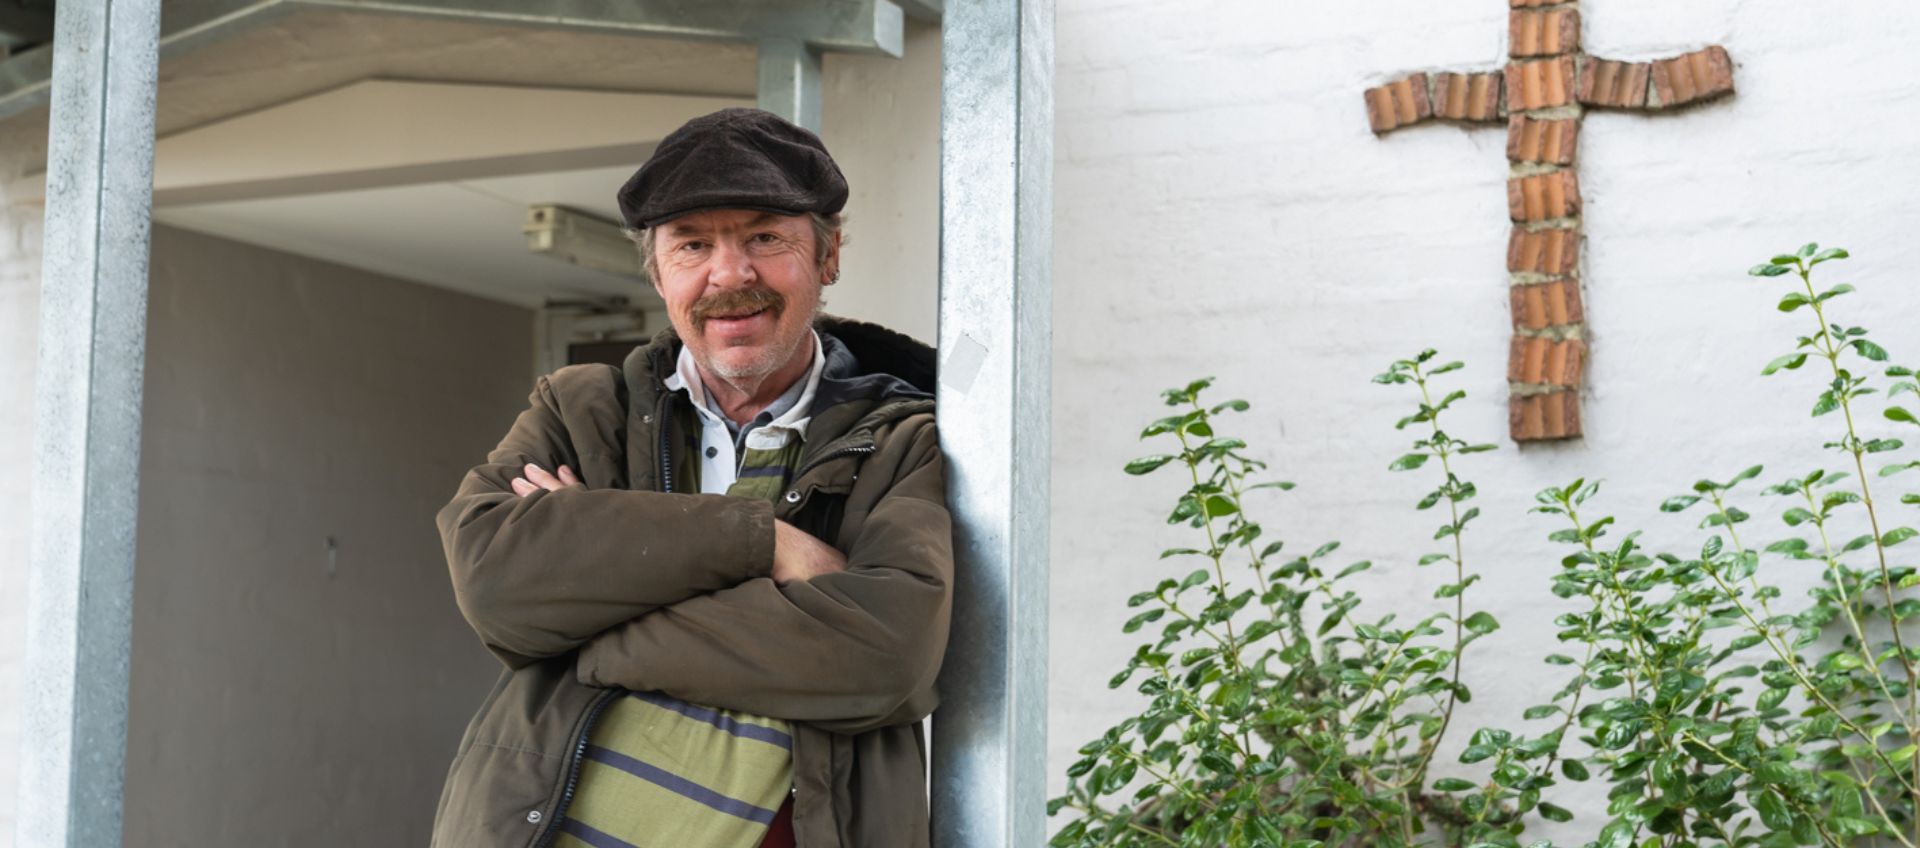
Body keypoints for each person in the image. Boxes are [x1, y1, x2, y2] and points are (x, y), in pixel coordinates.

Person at [429, 108, 952, 848]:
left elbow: (887, 659)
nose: (729, 274)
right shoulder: (584, 409)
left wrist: (594, 630)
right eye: (693, 245)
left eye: (765, 237)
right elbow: (492, 582)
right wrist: (759, 540)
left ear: (828, 257)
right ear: (658, 271)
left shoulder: (904, 438)